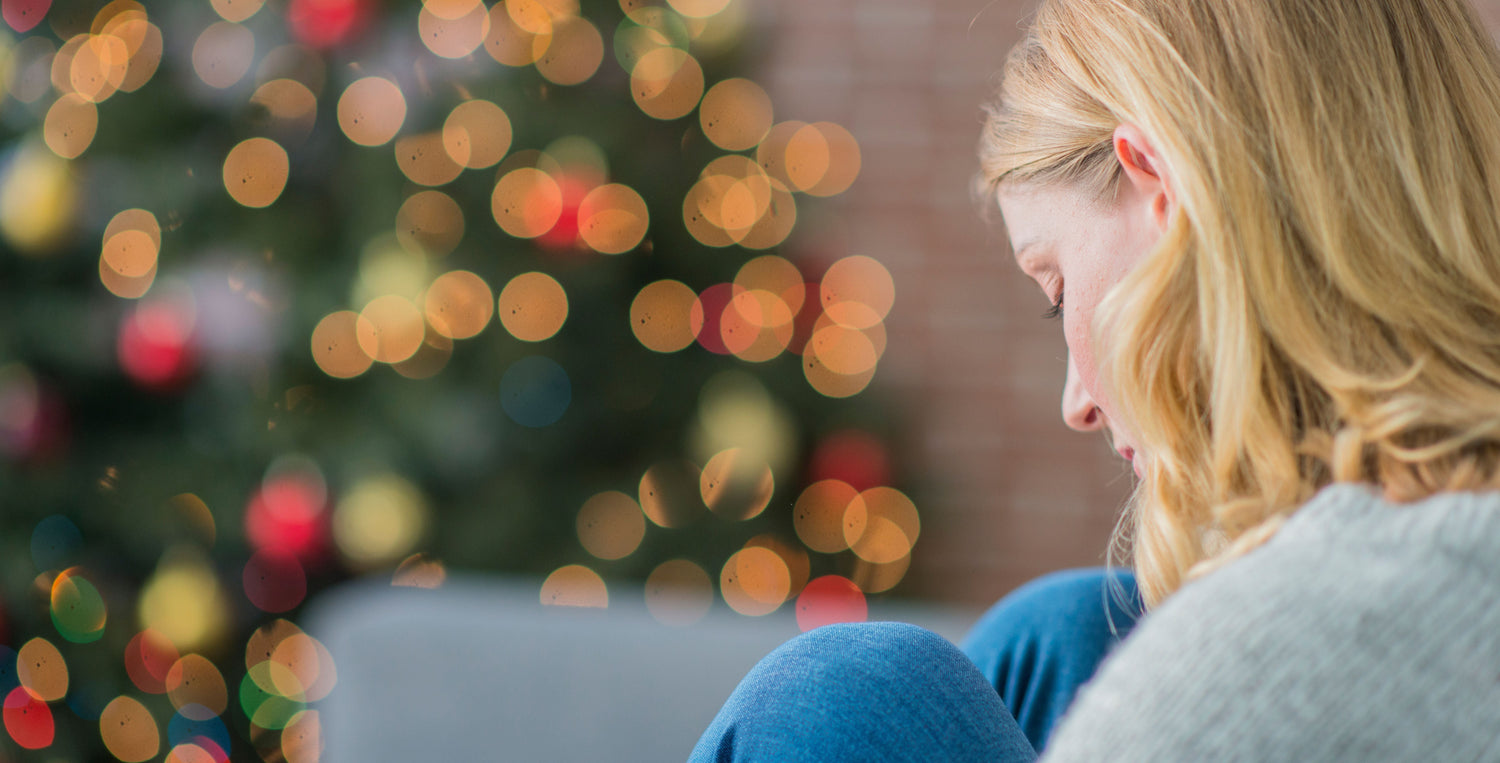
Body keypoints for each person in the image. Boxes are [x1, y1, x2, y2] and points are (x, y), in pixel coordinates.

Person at [689, 0, 1500, 759]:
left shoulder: (1280, 652)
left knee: (842, 694)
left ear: (1162, 195)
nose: (1076, 401)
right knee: (1070, 633)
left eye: (1059, 293)